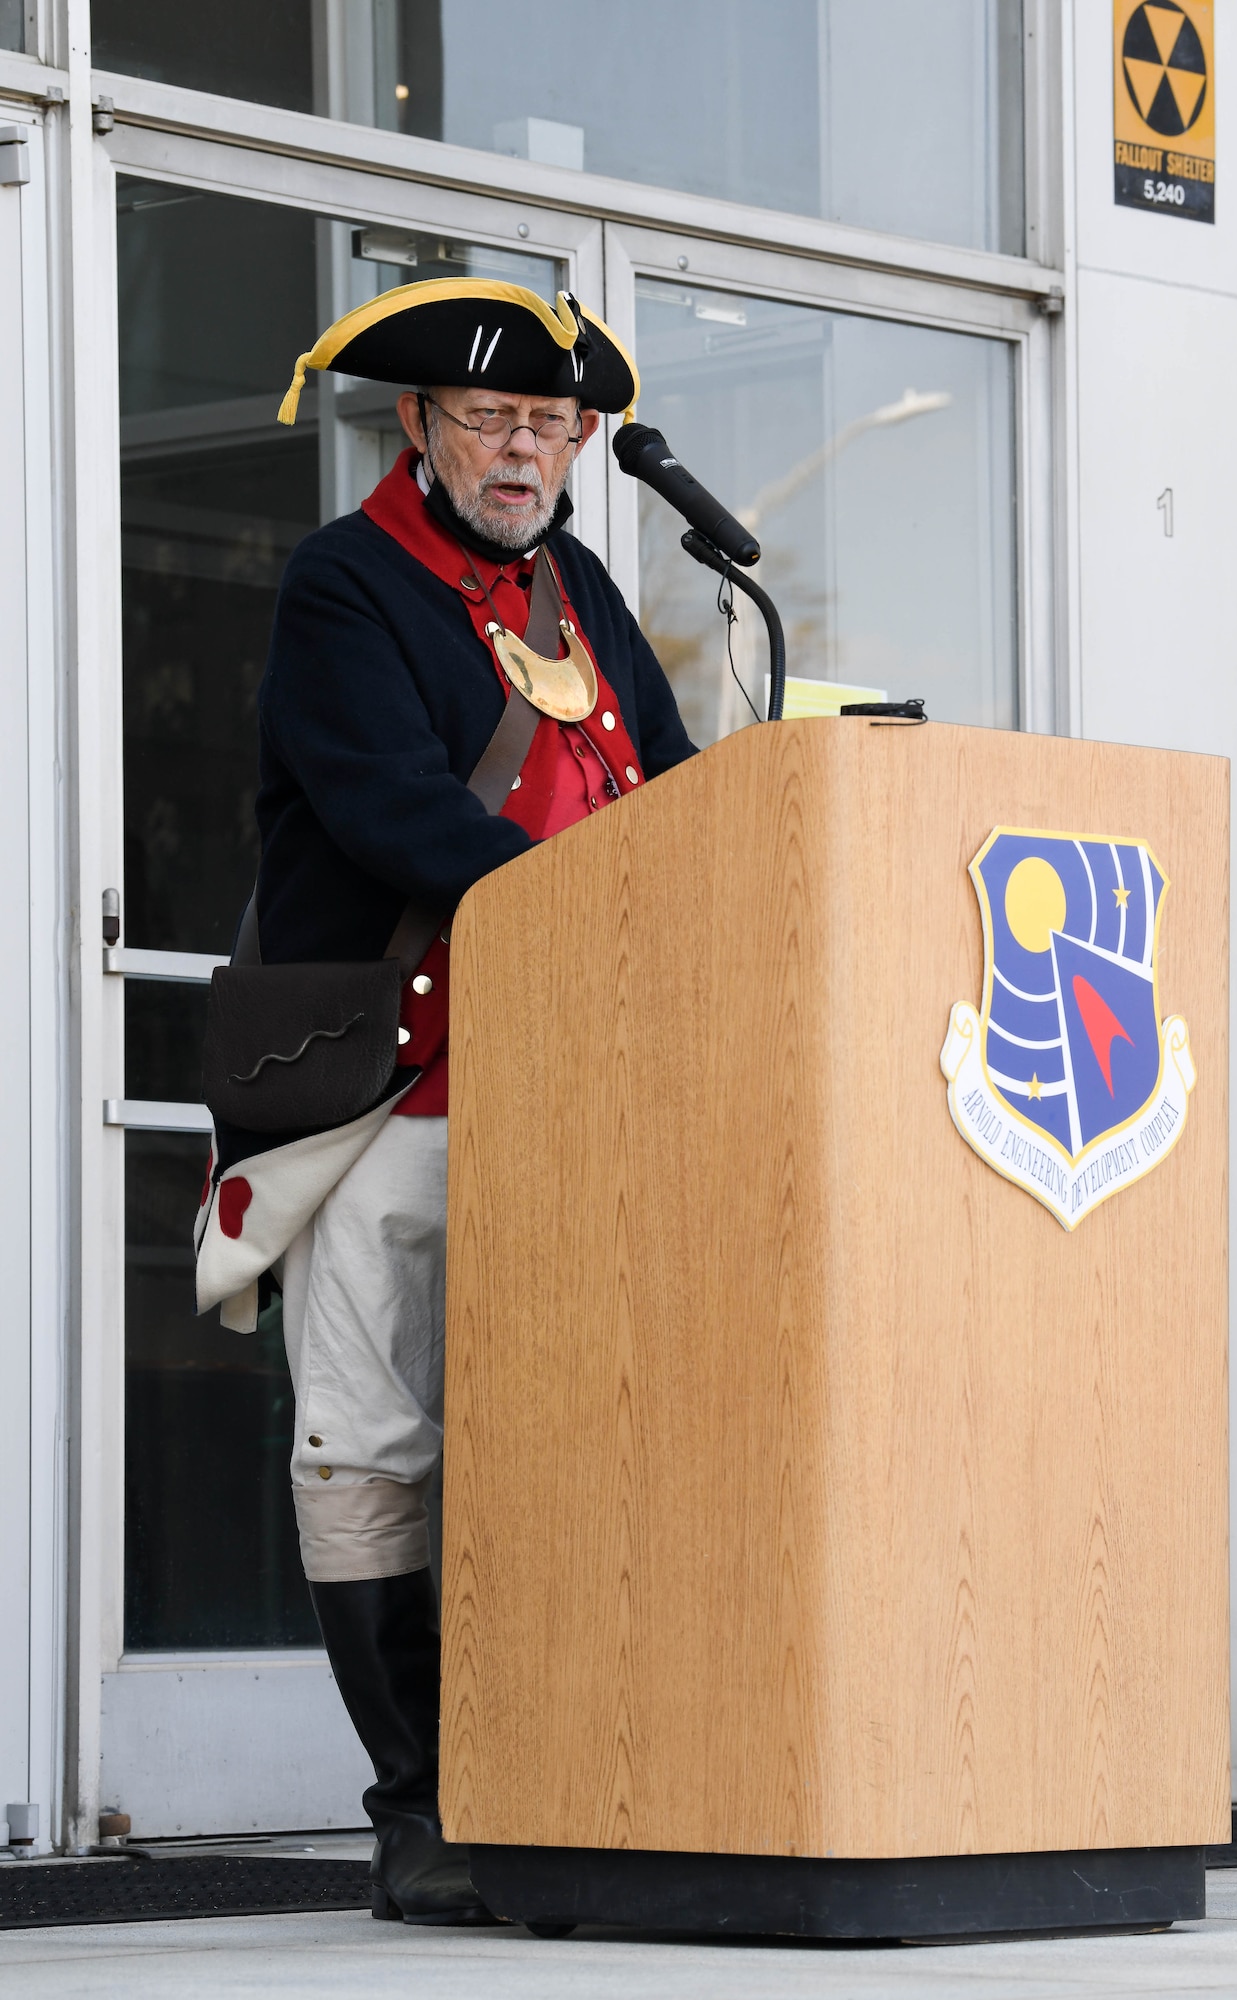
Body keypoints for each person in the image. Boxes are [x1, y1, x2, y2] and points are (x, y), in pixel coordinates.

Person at [193, 279, 696, 1923]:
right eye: (491, 420)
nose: (525, 452)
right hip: (402, 1085)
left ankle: (566, 1773)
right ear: (413, 425)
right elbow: (394, 812)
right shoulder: (347, 582)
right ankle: (419, 1811)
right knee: (375, 1443)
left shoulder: (587, 585)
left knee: (562, 1442)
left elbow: (677, 791)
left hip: (584, 1098)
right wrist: (598, 909)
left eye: (553, 427)